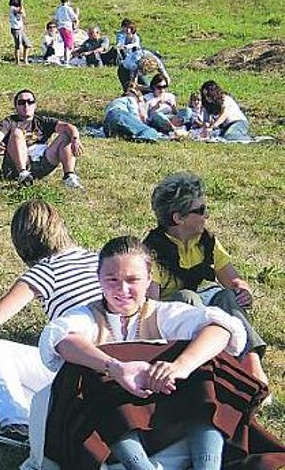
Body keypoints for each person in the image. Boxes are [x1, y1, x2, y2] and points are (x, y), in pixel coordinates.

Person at [32, 236, 250, 470]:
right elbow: (61, 338)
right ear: (99, 280)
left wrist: (180, 367)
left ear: (148, 280)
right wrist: (115, 368)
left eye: (132, 280)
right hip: (106, 428)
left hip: (164, 416)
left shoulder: (162, 313)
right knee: (85, 371)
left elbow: (222, 328)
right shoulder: (88, 315)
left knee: (208, 366)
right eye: (112, 280)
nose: (122, 290)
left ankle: (207, 466)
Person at [0, 200, 101, 447]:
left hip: (78, 370)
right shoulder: (97, 260)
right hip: (112, 366)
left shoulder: (45, 271)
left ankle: (18, 423)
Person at [144, 172, 269, 387]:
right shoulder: (152, 252)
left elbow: (233, 279)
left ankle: (252, 366)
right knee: (187, 297)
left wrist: (242, 289)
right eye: (200, 211)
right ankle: (205, 369)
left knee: (227, 297)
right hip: (175, 316)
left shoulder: (207, 241)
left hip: (207, 304)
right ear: (178, 218)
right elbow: (149, 307)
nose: (206, 216)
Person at [0, 89, 84, 188]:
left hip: (42, 162)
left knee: (66, 134)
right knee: (17, 132)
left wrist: (75, 139)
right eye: (21, 103)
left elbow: (68, 127)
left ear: (35, 105)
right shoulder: (9, 121)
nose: (26, 105)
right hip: (15, 167)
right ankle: (23, 174)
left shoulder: (43, 121)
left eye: (30, 102)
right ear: (16, 106)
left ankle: (69, 176)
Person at [53, 0, 79, 64]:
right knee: (69, 45)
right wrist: (77, 13)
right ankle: (66, 61)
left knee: (66, 44)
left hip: (61, 28)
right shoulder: (68, 8)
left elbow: (55, 19)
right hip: (67, 27)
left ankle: (66, 59)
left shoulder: (58, 9)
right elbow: (74, 18)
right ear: (68, 0)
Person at [9, 0, 32, 65]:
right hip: (15, 29)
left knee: (27, 44)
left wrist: (22, 6)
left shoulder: (19, 8)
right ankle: (17, 62)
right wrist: (21, 5)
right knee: (18, 46)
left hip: (20, 29)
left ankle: (25, 60)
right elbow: (19, 11)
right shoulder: (12, 8)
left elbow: (24, 15)